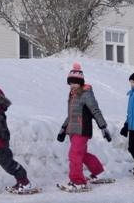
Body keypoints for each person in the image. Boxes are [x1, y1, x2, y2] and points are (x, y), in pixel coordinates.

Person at [57, 63, 111, 192]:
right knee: (82, 154)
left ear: (80, 82)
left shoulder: (86, 94)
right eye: (70, 83)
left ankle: (78, 182)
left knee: (74, 155)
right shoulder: (72, 94)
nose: (72, 85)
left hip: (82, 129)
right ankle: (98, 172)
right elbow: (71, 114)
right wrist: (63, 129)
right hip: (73, 130)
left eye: (75, 83)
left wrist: (103, 127)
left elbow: (95, 111)